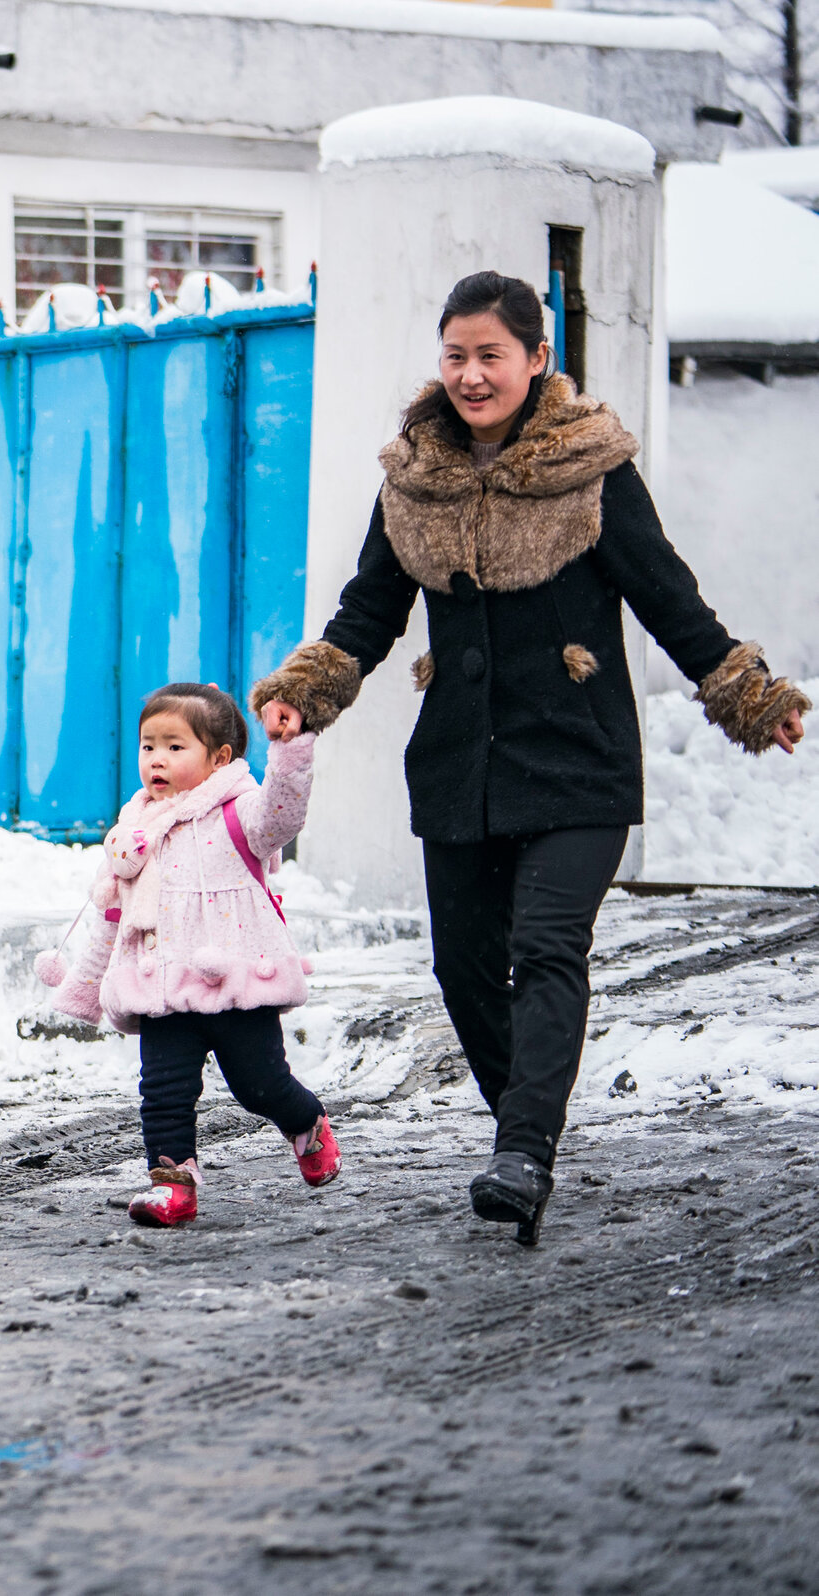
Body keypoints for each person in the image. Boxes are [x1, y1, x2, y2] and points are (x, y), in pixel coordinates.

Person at [250, 270, 808, 1246]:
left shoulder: (592, 474)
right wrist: (307, 691)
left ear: (536, 360)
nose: (470, 374)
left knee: (546, 946)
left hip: (579, 760)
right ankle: (527, 1122)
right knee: (463, 968)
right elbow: (369, 610)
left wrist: (744, 693)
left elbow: (666, 598)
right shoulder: (414, 481)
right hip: (461, 764)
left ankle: (522, 1151)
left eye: (490, 355)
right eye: (455, 355)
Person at [39, 683, 340, 1227]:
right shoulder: (134, 833)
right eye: (148, 745)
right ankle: (173, 1186)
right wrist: (86, 987)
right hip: (161, 990)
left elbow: (284, 813)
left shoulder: (242, 815)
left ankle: (307, 1123)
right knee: (162, 1093)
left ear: (218, 757)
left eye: (176, 746)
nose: (157, 759)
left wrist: (291, 751)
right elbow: (116, 919)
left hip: (237, 989)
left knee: (260, 1087)